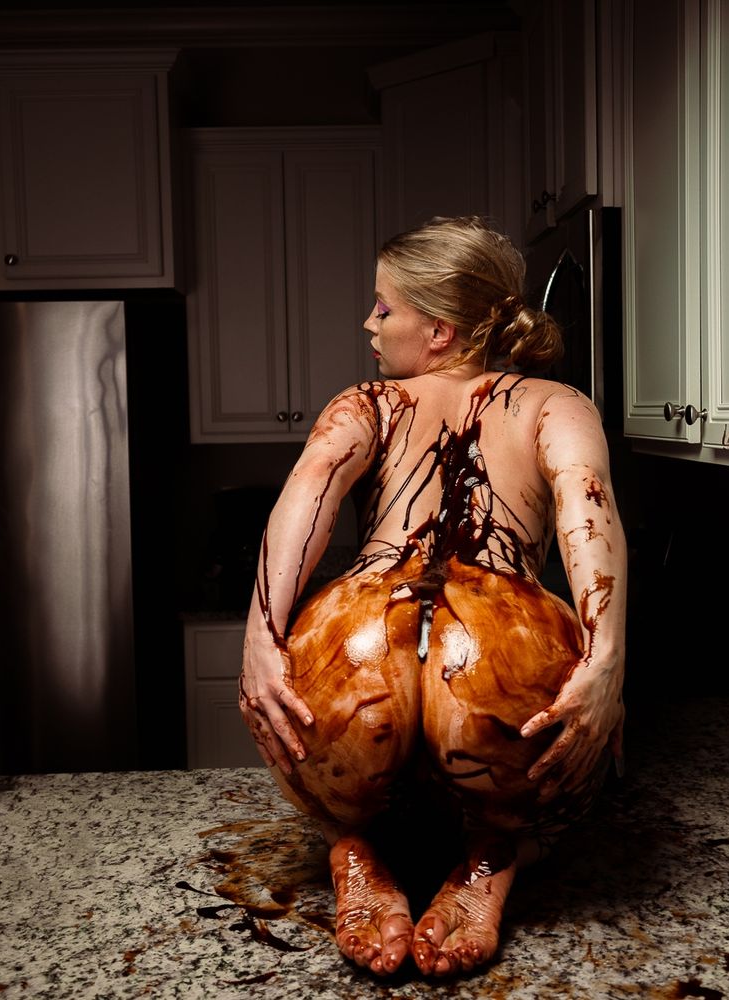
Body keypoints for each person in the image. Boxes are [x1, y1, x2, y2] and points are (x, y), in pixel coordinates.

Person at [239, 215, 626, 978]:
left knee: (314, 761)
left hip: (356, 651)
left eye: (385, 307)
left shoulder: (369, 402)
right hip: (499, 656)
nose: (369, 322)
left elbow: (305, 500)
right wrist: (606, 655)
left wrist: (261, 635)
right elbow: (588, 506)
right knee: (566, 779)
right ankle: (497, 853)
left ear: (440, 330)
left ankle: (351, 845)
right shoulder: (555, 402)